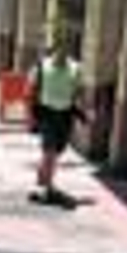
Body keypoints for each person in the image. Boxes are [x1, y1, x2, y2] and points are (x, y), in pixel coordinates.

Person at [27, 42, 83, 205]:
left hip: (65, 115)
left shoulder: (75, 68)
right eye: (59, 51)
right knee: (50, 151)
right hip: (47, 113)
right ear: (54, 51)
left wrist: (82, 114)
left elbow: (77, 92)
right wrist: (30, 115)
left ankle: (43, 175)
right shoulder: (42, 66)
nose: (62, 54)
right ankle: (48, 187)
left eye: (66, 51)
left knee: (57, 150)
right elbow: (30, 90)